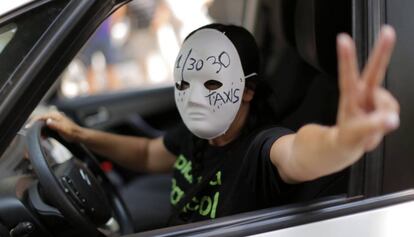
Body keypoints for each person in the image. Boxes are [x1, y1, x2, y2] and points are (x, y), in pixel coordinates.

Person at [35, 23, 399, 226]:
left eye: (212, 83)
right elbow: (148, 154)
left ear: (248, 91)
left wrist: (346, 139)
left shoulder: (262, 149)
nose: (192, 98)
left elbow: (303, 153)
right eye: (183, 84)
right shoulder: (199, 137)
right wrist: (79, 133)